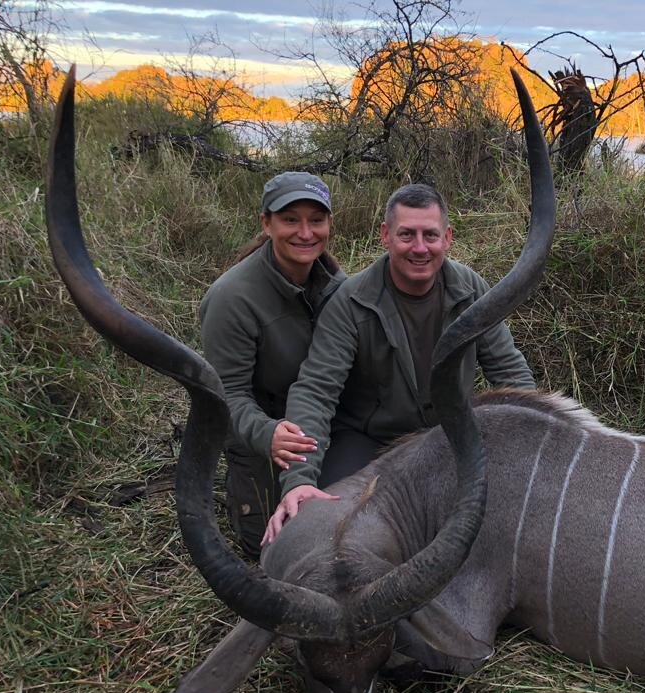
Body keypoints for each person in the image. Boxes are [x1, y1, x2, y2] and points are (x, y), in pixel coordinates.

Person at [263, 183, 535, 543]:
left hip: (449, 435)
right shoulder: (350, 301)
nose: (420, 248)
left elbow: (509, 371)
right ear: (385, 236)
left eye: (430, 235)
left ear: (448, 238)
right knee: (329, 524)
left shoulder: (471, 289)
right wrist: (298, 482)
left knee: (508, 516)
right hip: (369, 441)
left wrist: (537, 440)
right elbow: (316, 391)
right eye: (407, 235)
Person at [199, 171, 347, 558]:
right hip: (269, 434)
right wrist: (267, 433)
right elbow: (224, 395)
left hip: (324, 421)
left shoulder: (339, 286)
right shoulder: (231, 298)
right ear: (266, 223)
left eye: (316, 220)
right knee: (278, 544)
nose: (305, 232)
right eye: (290, 219)